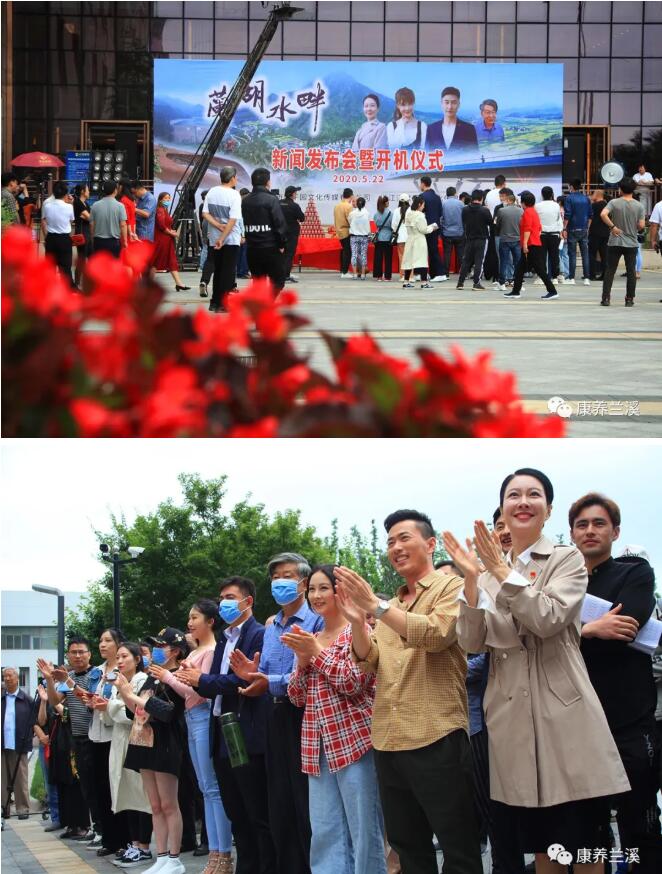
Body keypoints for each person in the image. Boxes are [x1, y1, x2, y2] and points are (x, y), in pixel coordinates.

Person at [444, 468, 630, 873]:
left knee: (583, 844)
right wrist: (472, 582)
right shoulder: (487, 572)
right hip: (511, 721)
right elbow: (472, 641)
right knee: (543, 847)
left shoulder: (566, 559)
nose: (523, 501)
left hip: (563, 715)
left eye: (534, 494)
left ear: (548, 510)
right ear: (503, 509)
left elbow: (547, 618)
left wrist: (499, 572)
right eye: (514, 495)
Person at [334, 510, 482, 874]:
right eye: (390, 542)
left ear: (430, 544)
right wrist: (357, 623)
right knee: (408, 847)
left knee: (458, 846)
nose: (396, 548)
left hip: (437, 735)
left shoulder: (451, 587)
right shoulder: (394, 605)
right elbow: (370, 661)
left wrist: (376, 607)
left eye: (404, 538)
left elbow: (436, 634)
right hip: (389, 739)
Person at [571, 494, 662, 874]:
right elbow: (539, 634)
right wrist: (590, 629)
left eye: (599, 523)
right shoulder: (563, 582)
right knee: (589, 828)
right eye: (582, 524)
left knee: (640, 821)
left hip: (630, 720)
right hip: (579, 721)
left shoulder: (635, 572)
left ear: (615, 532)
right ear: (572, 533)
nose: (590, 530)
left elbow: (629, 624)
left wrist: (568, 631)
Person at [285, 564, 386, 874]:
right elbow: (296, 697)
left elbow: (353, 682)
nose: (316, 595)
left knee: (364, 828)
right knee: (325, 830)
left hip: (354, 742)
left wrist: (317, 653)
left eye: (323, 588)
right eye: (312, 590)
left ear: (340, 591)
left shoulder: (358, 630)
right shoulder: (312, 636)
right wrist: (302, 661)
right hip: (317, 746)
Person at [230, 552, 323, 874]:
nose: (279, 583)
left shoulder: (317, 621)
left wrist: (268, 681)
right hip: (274, 716)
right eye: (275, 577)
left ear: (304, 583)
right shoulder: (272, 627)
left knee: (305, 802)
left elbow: (308, 675)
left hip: (305, 716)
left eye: (287, 576)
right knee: (279, 804)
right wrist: (253, 677)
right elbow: (266, 674)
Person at [179, 577, 275, 874]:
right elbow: (214, 686)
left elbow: (243, 681)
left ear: (248, 601)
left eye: (230, 597)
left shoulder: (259, 635)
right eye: (221, 598)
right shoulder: (224, 638)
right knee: (236, 811)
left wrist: (203, 680)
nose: (224, 604)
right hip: (221, 731)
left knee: (256, 811)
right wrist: (194, 678)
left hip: (246, 731)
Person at [155, 601, 232, 874]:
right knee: (206, 788)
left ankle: (223, 855)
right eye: (189, 617)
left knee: (212, 789)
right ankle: (215, 855)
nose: (190, 622)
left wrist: (169, 677)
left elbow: (200, 692)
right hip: (192, 718)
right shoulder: (198, 651)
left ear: (210, 621)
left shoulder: (210, 651)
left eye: (195, 617)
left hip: (202, 716)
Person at [121, 628, 189, 874]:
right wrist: (125, 693)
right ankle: (161, 856)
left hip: (166, 743)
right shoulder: (152, 675)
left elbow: (168, 712)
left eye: (162, 646)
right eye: (155, 646)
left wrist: (132, 695)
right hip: (145, 742)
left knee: (169, 804)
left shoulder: (179, 675)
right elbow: (137, 711)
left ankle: (174, 858)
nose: (156, 651)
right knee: (155, 805)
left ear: (176, 651)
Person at [37, 638, 99, 846]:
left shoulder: (96, 674)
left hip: (96, 735)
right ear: (68, 655)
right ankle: (93, 828)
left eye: (82, 652)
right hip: (77, 737)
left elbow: (90, 699)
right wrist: (50, 680)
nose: (78, 656)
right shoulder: (68, 677)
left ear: (89, 654)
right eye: (73, 652)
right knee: (86, 786)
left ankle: (99, 829)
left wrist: (68, 683)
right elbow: (55, 701)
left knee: (98, 786)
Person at [104, 642, 153, 868]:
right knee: (127, 792)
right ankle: (134, 844)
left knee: (141, 793)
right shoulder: (119, 683)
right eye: (118, 657)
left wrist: (113, 705)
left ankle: (144, 846)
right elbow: (112, 712)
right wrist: (112, 704)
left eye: (125, 656)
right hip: (120, 740)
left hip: (137, 740)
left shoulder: (142, 680)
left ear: (137, 659)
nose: (120, 661)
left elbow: (133, 712)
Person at [84, 628, 128, 857]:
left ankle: (124, 840)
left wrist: (103, 704)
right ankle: (109, 840)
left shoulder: (123, 671)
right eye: (101, 640)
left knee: (117, 789)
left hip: (115, 736)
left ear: (119, 644)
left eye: (108, 640)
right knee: (100, 788)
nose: (102, 644)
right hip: (96, 734)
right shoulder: (96, 672)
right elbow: (92, 700)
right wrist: (88, 700)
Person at [35, 684, 91, 840]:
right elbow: (42, 721)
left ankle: (81, 825)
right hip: (58, 748)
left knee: (75, 786)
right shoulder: (52, 701)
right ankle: (69, 824)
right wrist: (44, 701)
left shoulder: (72, 699)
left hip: (72, 746)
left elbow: (68, 715)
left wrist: (54, 702)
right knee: (62, 786)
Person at [599, 176, 645, 307]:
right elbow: (641, 225)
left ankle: (606, 298)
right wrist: (634, 226)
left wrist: (613, 227)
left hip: (615, 241)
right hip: (631, 243)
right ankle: (629, 299)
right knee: (631, 271)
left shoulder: (614, 202)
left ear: (621, 189)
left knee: (610, 270)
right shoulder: (639, 206)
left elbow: (603, 214)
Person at [241, 166, 288, 294]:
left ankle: (260, 303)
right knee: (278, 281)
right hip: (270, 248)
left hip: (252, 248)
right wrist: (282, 244)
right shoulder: (272, 199)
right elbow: (279, 224)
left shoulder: (245, 201)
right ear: (268, 182)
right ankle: (268, 302)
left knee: (258, 282)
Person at [202, 166, 243, 313]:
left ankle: (214, 302)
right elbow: (233, 220)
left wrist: (217, 226)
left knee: (218, 270)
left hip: (214, 237)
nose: (236, 179)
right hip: (230, 239)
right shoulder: (234, 195)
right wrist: (223, 236)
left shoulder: (212, 191)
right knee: (228, 272)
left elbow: (205, 213)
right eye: (236, 177)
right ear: (232, 178)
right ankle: (223, 304)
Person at [503, 191, 558, 300]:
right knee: (520, 269)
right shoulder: (533, 211)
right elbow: (538, 228)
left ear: (523, 202)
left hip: (530, 245)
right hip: (534, 243)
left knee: (539, 270)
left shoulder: (527, 212)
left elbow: (527, 229)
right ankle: (516, 291)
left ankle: (552, 291)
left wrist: (524, 244)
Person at [1, 667, 33, 821]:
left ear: (17, 678)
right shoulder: (1, 698)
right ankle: (4, 808)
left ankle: (23, 809)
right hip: (2, 744)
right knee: (2, 779)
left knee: (20, 778)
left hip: (19, 744)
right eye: (4, 676)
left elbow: (34, 721)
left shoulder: (26, 699)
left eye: (10, 676)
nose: (7, 679)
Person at [33, 683, 61, 832]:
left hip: (61, 743)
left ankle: (70, 819)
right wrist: (41, 736)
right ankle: (56, 817)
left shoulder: (64, 691)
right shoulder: (42, 696)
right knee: (49, 782)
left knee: (65, 782)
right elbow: (38, 722)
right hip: (46, 744)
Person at [151, 192, 190, 292]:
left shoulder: (164, 210)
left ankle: (179, 283)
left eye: (169, 198)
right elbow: (161, 226)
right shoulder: (160, 210)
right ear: (160, 200)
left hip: (167, 239)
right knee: (156, 261)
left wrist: (171, 231)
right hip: (162, 240)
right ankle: (148, 283)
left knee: (171, 261)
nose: (168, 200)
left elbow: (165, 226)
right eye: (165, 198)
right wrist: (172, 233)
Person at [425, 86, 479, 157]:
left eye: (454, 103)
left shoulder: (469, 129)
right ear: (441, 104)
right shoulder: (431, 129)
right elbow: (427, 156)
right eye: (446, 102)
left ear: (459, 104)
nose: (450, 107)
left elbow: (474, 156)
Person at [456, 189, 492, 291]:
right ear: (481, 198)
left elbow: (464, 221)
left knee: (466, 261)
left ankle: (460, 282)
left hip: (469, 238)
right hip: (482, 238)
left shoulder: (465, 209)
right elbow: (490, 223)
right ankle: (476, 283)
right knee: (479, 261)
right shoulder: (485, 210)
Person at [41, 180, 75, 285]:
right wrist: (70, 203)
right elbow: (71, 221)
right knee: (65, 267)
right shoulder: (69, 207)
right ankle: (67, 288)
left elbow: (44, 220)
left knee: (50, 267)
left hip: (51, 238)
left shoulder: (47, 206)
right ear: (66, 194)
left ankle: (48, 288)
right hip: (64, 239)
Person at [401, 195, 437, 289]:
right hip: (419, 240)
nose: (424, 207)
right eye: (423, 205)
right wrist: (432, 227)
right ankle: (424, 282)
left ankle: (406, 281)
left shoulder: (408, 214)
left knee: (408, 261)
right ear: (419, 204)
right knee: (422, 261)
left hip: (410, 239)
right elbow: (423, 230)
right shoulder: (420, 215)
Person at [563, 178, 592, 286]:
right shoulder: (586, 198)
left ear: (571, 186)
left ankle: (572, 278)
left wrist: (564, 228)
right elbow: (590, 215)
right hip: (584, 229)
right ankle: (587, 278)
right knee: (585, 254)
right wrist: (587, 227)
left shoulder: (569, 198)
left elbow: (567, 215)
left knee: (572, 254)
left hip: (572, 229)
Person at [418, 176, 447, 282]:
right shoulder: (437, 197)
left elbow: (419, 212)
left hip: (426, 227)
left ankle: (440, 273)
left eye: (420, 183)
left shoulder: (422, 196)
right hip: (435, 226)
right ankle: (434, 273)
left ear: (423, 184)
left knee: (428, 251)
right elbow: (440, 213)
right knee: (432, 249)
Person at [90, 180, 127, 257]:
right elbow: (123, 225)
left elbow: (92, 225)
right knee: (113, 263)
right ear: (115, 190)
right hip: (114, 242)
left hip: (98, 241)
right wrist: (125, 241)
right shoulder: (120, 206)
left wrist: (93, 239)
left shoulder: (95, 205)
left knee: (100, 263)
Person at [534, 186, 562, 285]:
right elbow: (558, 218)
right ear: (552, 194)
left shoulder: (537, 206)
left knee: (541, 257)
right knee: (554, 256)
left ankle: (542, 277)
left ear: (542, 195)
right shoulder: (556, 205)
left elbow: (536, 220)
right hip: (554, 234)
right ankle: (555, 277)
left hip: (542, 234)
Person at [494, 190, 522, 291]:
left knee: (503, 262)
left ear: (509, 200)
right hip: (517, 239)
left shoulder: (501, 210)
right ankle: (518, 283)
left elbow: (497, 224)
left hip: (505, 238)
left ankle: (502, 283)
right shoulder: (521, 211)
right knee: (517, 262)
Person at [280, 185, 305, 283]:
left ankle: (279, 275)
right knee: (289, 254)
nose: (296, 194)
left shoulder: (278, 203)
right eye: (295, 193)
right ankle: (286, 276)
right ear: (292, 194)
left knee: (280, 254)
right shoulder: (294, 206)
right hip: (291, 233)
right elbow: (302, 218)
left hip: (279, 232)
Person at [440, 186, 465, 277]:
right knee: (461, 254)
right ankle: (463, 273)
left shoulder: (443, 204)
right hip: (459, 232)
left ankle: (446, 273)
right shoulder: (461, 204)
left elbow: (441, 219)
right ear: (455, 194)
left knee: (447, 254)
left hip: (447, 233)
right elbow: (464, 218)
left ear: (447, 194)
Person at [73, 183, 93, 287]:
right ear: (82, 192)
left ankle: (88, 281)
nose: (89, 192)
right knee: (82, 258)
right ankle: (77, 282)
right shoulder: (78, 203)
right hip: (81, 233)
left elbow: (89, 217)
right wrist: (88, 217)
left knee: (91, 257)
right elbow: (90, 218)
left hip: (87, 232)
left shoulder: (86, 204)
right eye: (87, 190)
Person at [588, 189, 610, 281]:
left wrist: (588, 229)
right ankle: (605, 275)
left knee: (592, 254)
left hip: (594, 232)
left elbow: (590, 218)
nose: (592, 196)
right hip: (605, 232)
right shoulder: (607, 205)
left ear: (597, 195)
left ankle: (592, 274)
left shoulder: (593, 206)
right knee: (604, 254)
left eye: (593, 194)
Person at [348, 196, 371, 281]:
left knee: (354, 254)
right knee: (363, 255)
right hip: (364, 237)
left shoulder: (352, 213)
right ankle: (363, 274)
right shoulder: (367, 213)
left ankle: (355, 274)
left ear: (357, 204)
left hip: (354, 236)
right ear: (364, 204)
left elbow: (349, 221)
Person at [334, 188, 354, 278]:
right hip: (346, 231)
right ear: (351, 196)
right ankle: (345, 272)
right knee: (347, 251)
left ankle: (342, 270)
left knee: (343, 251)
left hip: (339, 231)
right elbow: (351, 220)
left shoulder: (337, 206)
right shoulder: (348, 206)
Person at [372, 196, 393, 281]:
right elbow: (392, 225)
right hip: (388, 237)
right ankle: (387, 276)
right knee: (388, 258)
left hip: (379, 237)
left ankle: (379, 276)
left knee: (378, 258)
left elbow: (375, 224)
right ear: (386, 203)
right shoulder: (390, 213)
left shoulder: (376, 214)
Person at [391, 194, 409, 281]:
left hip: (400, 237)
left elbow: (393, 225)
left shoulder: (396, 211)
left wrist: (396, 231)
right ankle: (410, 276)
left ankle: (402, 276)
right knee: (410, 257)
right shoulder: (411, 210)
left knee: (401, 256)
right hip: (409, 236)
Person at [118, 180, 138, 245]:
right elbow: (133, 217)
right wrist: (133, 231)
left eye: (119, 186)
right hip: (132, 228)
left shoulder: (123, 200)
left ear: (121, 187)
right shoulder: (132, 199)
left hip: (126, 230)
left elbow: (127, 218)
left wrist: (129, 232)